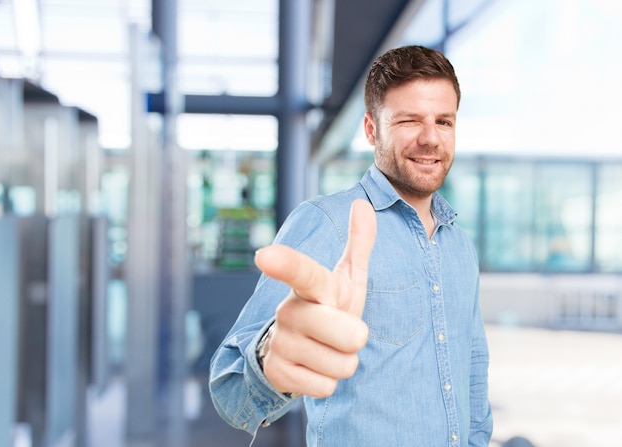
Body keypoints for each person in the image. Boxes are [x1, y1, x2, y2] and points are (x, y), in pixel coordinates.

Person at [209, 44, 493, 446]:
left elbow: (473, 371)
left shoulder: (459, 244)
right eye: (410, 120)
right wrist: (272, 355)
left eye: (443, 122)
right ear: (372, 129)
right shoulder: (329, 224)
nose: (431, 139)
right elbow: (231, 391)